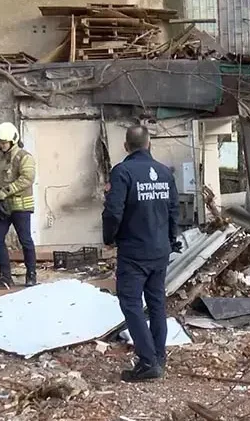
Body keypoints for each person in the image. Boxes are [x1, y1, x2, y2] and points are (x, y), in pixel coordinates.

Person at [102, 125, 181, 383]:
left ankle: (148, 362)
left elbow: (113, 212)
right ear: (149, 144)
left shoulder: (122, 172)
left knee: (131, 303)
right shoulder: (164, 173)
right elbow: (174, 210)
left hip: (134, 252)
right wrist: (171, 240)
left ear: (126, 146)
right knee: (157, 303)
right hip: (159, 251)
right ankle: (158, 356)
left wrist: (109, 238)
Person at [0, 122, 37, 289]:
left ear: (12, 140)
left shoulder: (24, 157)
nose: (1, 145)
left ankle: (31, 274)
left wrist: (6, 191)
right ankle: (5, 276)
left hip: (20, 206)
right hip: (1, 206)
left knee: (25, 240)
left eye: (4, 142)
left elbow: (27, 178)